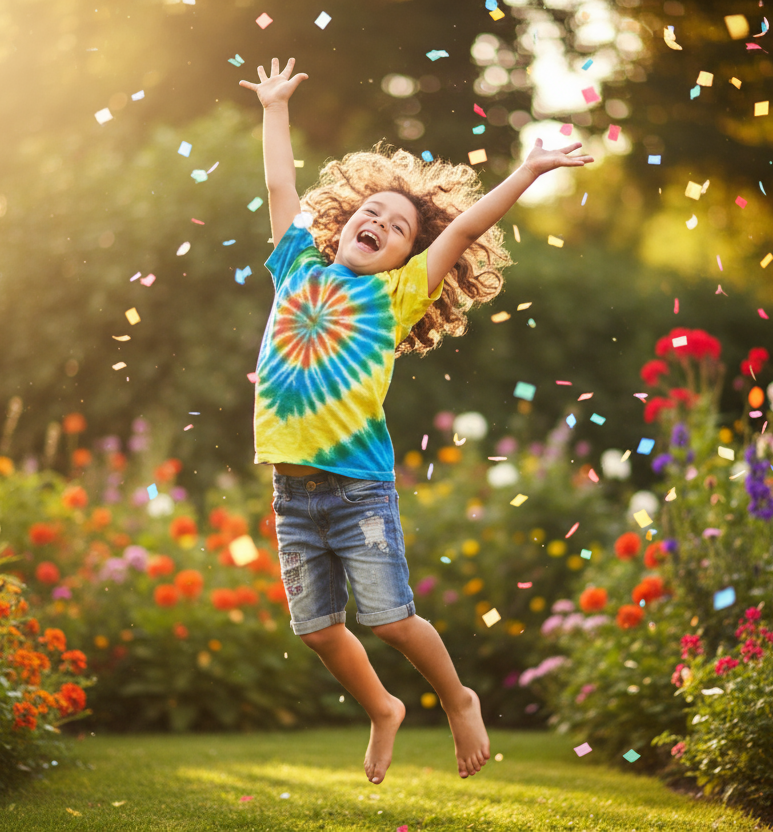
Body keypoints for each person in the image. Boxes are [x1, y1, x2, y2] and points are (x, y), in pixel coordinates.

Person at [240, 58, 592, 785]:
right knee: (316, 631)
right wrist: (274, 108)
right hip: (294, 494)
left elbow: (463, 227)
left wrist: (526, 172)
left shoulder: (397, 295)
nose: (381, 224)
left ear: (406, 255)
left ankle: (458, 697)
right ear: (344, 223)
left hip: (357, 490)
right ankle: (382, 709)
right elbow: (280, 186)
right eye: (373, 214)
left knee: (392, 620)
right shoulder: (295, 264)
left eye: (399, 228)